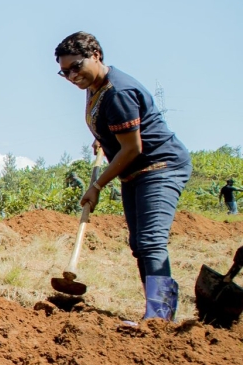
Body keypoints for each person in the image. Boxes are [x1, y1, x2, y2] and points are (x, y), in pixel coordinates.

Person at [55, 32, 191, 320]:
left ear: (96, 55)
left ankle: (160, 316)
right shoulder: (95, 86)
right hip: (134, 172)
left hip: (159, 167)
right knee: (139, 245)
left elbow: (132, 148)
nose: (71, 76)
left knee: (152, 242)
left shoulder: (118, 92)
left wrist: (97, 185)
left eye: (76, 66)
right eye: (64, 71)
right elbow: (116, 132)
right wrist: (103, 139)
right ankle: (156, 314)